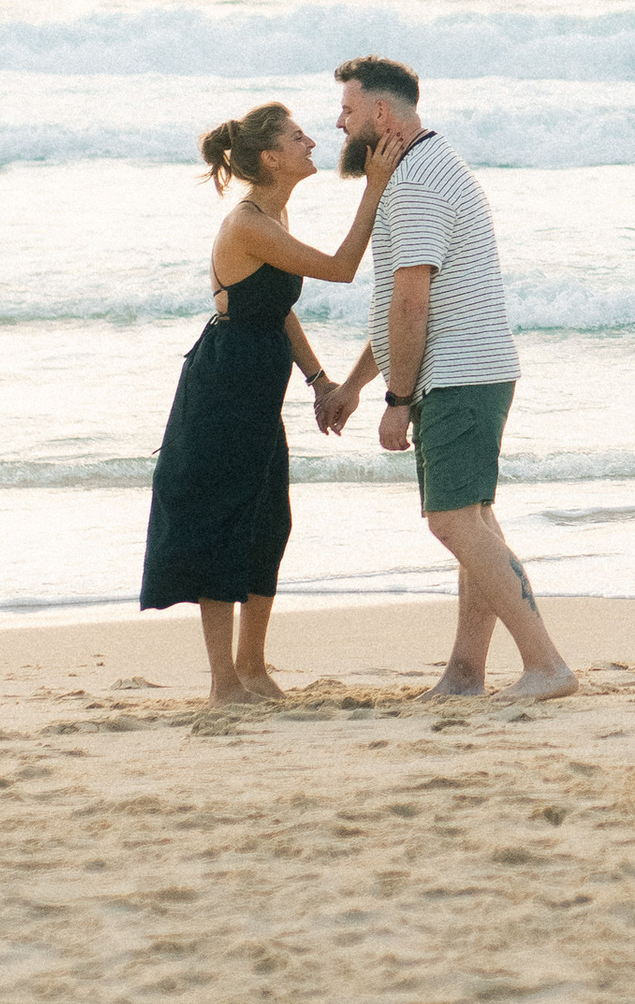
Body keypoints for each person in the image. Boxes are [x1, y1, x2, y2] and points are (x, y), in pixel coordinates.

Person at [318, 53, 576, 702]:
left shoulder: (417, 184)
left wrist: (396, 400)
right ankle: (465, 674)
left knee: (453, 522)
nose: (339, 124)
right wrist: (353, 384)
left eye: (347, 110)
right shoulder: (428, 167)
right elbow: (398, 308)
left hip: (457, 373)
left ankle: (546, 663)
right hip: (474, 368)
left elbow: (413, 305)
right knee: (473, 520)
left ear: (380, 113)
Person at [141, 104, 390, 700]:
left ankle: (252, 667)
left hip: (256, 389)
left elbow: (276, 307)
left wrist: (320, 380)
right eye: (296, 136)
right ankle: (224, 681)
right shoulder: (249, 222)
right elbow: (342, 267)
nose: (311, 141)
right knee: (221, 520)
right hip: (222, 391)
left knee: (267, 522)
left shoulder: (274, 210)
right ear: (272, 158)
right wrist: (375, 187)